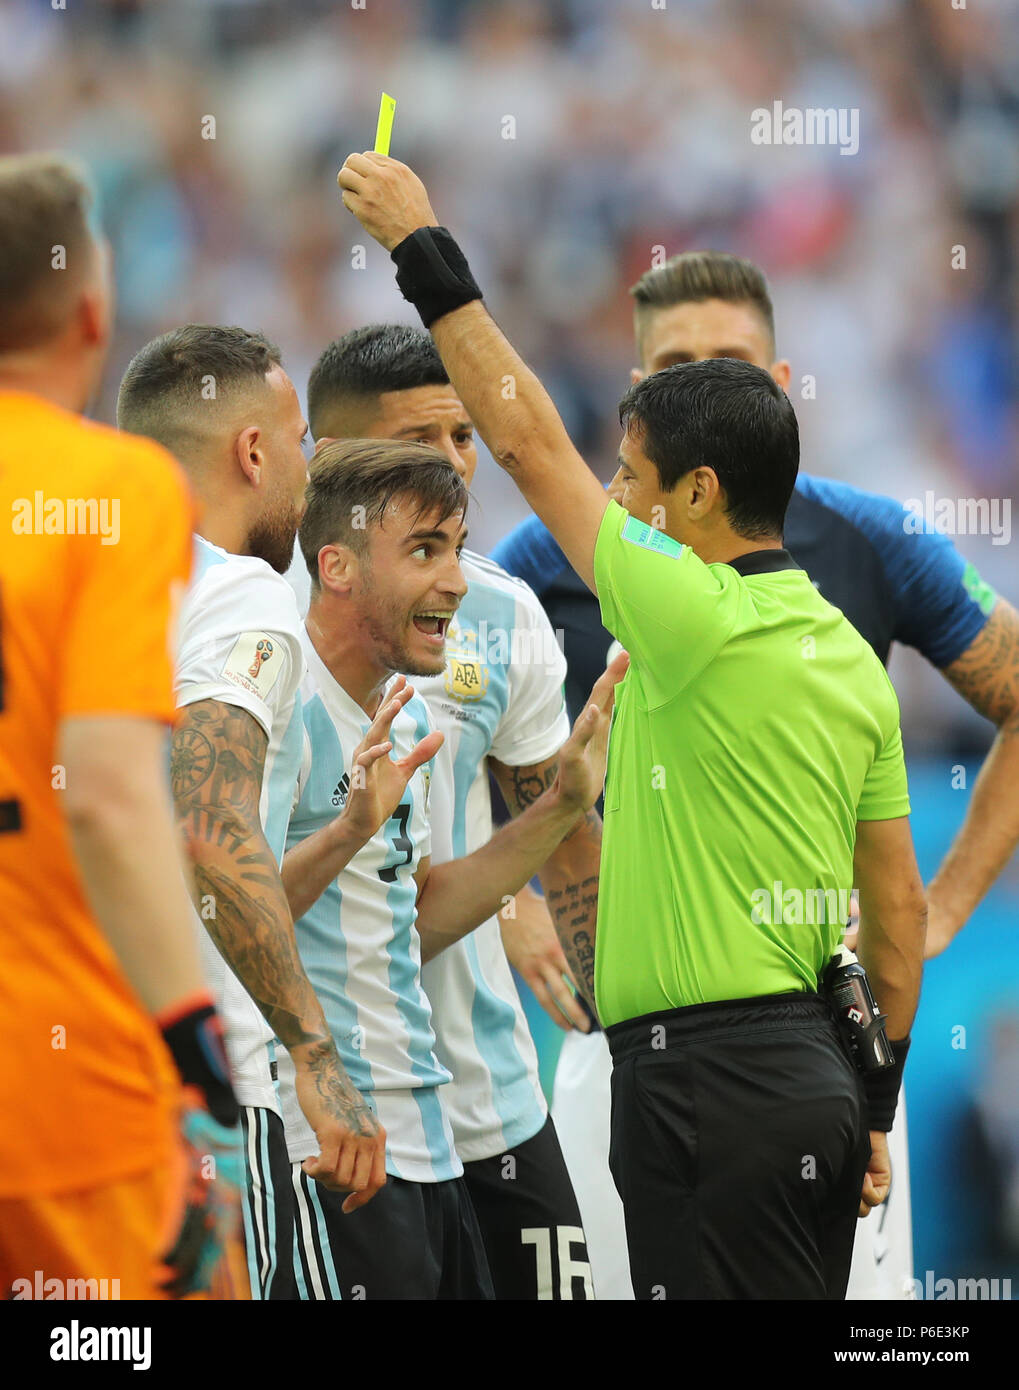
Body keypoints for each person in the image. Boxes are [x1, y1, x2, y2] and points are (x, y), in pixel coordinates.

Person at [336, 151, 928, 1299]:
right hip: (815, 1075)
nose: (609, 497)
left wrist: (420, 245)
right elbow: (894, 912)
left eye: (630, 475)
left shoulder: (685, 609)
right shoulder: (849, 659)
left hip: (702, 1086)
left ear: (696, 496)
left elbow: (518, 439)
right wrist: (872, 1105)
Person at [494, 249, 1019, 1300]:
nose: (701, 384)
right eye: (670, 367)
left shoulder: (866, 541)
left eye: (727, 361)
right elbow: (440, 719)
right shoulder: (547, 561)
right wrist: (510, 892)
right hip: (624, 1041)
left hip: (816, 1036)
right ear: (638, 397)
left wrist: (938, 904)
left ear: (776, 385)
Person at [276, 438, 617, 1298]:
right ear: (337, 566)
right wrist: (347, 830)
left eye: (457, 552)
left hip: (428, 1131)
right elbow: (217, 908)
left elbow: (416, 913)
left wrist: (560, 806)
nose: (458, 582)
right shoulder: (269, 699)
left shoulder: (398, 718)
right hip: (330, 1147)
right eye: (425, 551)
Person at [0, 153, 239, 1299]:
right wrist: (186, 1022)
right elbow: (102, 787)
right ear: (91, 313)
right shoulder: (113, 487)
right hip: (59, 1089)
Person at [117, 325, 385, 1300]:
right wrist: (313, 1053)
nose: (310, 472)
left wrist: (345, 830)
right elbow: (209, 826)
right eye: (303, 443)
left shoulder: (72, 582)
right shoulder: (237, 595)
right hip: (208, 1080)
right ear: (252, 451)